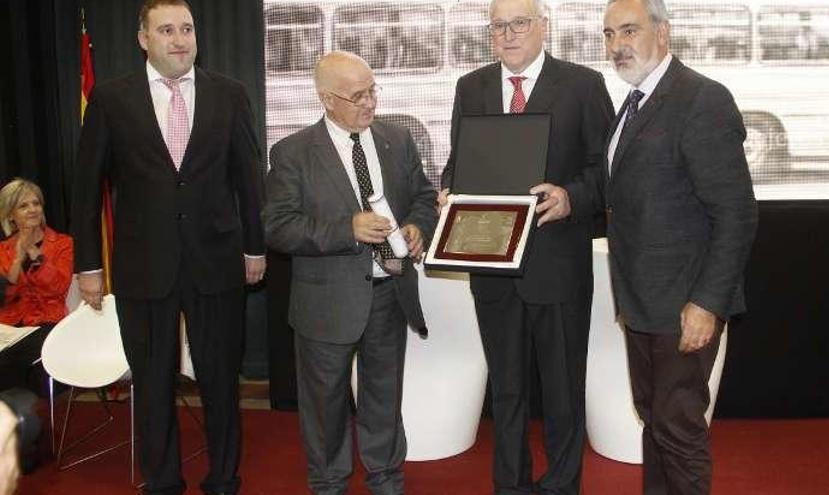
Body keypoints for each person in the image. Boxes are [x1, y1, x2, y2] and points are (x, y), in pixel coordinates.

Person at [71, 1, 266, 493]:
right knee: (153, 385)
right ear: (143, 38)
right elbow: (86, 190)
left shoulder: (230, 95)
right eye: (166, 30)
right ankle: (162, 482)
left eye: (187, 28)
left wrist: (255, 248)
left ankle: (223, 478)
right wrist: (88, 265)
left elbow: (249, 180)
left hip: (217, 263)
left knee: (221, 382)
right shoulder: (112, 100)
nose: (179, 39)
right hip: (143, 267)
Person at [439, 0, 613, 492]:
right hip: (491, 264)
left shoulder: (582, 85)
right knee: (507, 392)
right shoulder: (469, 87)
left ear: (543, 27)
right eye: (499, 25)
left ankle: (560, 486)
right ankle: (510, 485)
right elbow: (459, 161)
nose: (509, 34)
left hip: (557, 265)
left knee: (562, 393)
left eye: (520, 23)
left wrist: (570, 197)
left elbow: (607, 169)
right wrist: (450, 190)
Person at [602, 0, 759, 493]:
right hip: (643, 303)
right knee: (657, 419)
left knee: (678, 425)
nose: (616, 45)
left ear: (664, 33)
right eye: (608, 35)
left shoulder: (701, 99)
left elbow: (736, 213)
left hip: (684, 306)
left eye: (629, 30)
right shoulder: (633, 103)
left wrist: (707, 304)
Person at [263, 51, 437, 495]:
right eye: (357, 96)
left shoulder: (398, 140)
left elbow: (422, 195)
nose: (370, 103)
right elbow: (278, 226)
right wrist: (348, 229)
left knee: (384, 399)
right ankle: (329, 483)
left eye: (372, 91)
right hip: (325, 303)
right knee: (324, 408)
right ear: (327, 99)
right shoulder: (292, 153)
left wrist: (418, 226)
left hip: (388, 295)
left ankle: (386, 479)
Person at [0, 179, 73, 394]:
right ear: (11, 215)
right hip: (10, 326)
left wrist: (33, 252)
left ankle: (21, 420)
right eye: (24, 206)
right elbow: (3, 297)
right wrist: (16, 260)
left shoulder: (63, 244)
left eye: (36, 203)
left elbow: (57, 287)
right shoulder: (3, 249)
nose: (33, 209)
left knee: (11, 363)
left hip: (48, 323)